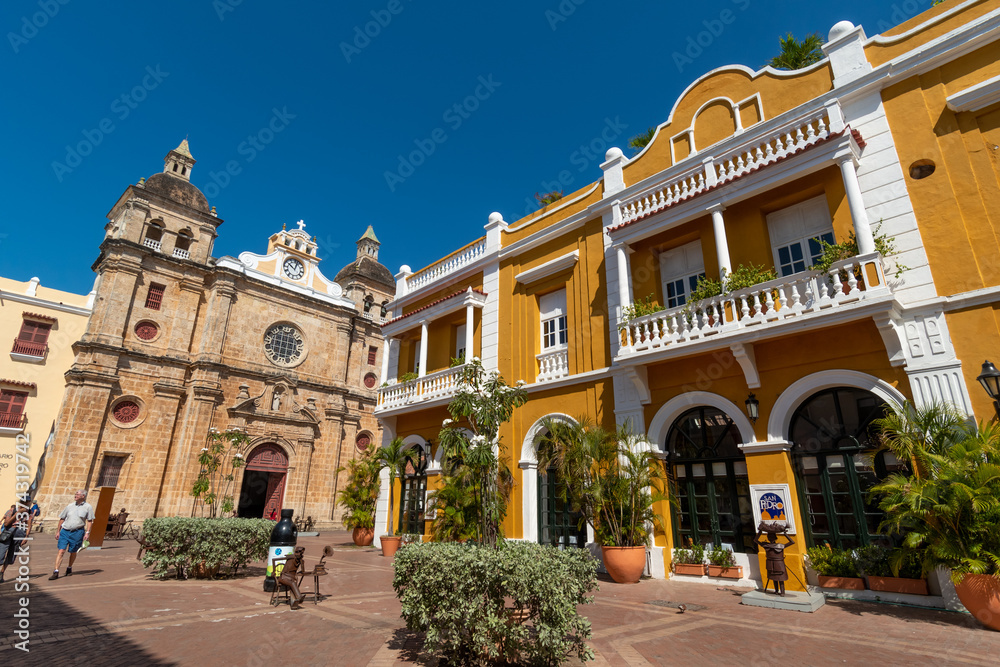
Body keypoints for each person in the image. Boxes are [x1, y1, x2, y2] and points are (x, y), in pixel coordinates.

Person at [49, 489, 95, 580]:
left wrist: (87, 532)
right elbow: (62, 518)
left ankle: (69, 567)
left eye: (78, 494)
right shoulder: (69, 506)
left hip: (78, 532)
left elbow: (90, 521)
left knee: (73, 551)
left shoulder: (88, 507)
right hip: (65, 531)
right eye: (75, 494)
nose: (75, 495)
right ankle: (56, 571)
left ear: (83, 496)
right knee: (61, 551)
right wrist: (58, 531)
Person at [755, 521, 795, 596]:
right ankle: (776, 590)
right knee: (773, 577)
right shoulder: (766, 545)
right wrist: (759, 532)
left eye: (771, 537)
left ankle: (782, 592)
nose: (770, 538)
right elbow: (756, 540)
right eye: (769, 537)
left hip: (779, 563)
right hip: (770, 563)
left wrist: (785, 534)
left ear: (775, 537)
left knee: (780, 578)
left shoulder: (779, 546)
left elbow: (792, 542)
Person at [1, 500, 32, 583]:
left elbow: (29, 525)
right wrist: (17, 513)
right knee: (1, 554)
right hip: (7, 535)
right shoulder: (11, 511)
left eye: (28, 504)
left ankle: (2, 573)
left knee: (10, 556)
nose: (27, 506)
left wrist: (26, 537)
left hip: (19, 536)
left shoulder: (28, 513)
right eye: (26, 504)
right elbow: (6, 524)